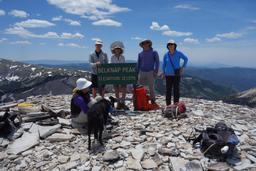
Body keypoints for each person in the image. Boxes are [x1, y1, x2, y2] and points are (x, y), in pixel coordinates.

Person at [162, 40, 188, 106]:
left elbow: (186, 59)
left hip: (176, 74)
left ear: (175, 46)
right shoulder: (166, 55)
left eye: (172, 44)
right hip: (168, 75)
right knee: (168, 90)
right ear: (167, 46)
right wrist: (163, 72)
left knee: (176, 90)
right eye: (169, 44)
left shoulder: (178, 53)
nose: (170, 46)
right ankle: (168, 105)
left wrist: (183, 67)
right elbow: (163, 64)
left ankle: (176, 105)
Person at [137, 39, 159, 104]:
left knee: (151, 87)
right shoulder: (140, 54)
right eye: (143, 43)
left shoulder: (154, 52)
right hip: (142, 72)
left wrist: (156, 71)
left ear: (149, 44)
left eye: (147, 43)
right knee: (141, 87)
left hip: (151, 72)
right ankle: (142, 100)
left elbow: (157, 62)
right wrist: (137, 73)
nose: (145, 44)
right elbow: (138, 64)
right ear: (142, 45)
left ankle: (153, 101)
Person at [110, 41, 129, 110]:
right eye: (116, 49)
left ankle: (122, 102)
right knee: (116, 89)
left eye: (118, 49)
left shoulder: (122, 57)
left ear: (120, 50)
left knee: (124, 88)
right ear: (114, 50)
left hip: (122, 75)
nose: (117, 50)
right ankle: (118, 103)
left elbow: (123, 65)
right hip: (115, 75)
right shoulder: (112, 57)